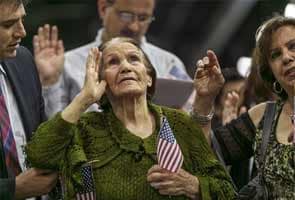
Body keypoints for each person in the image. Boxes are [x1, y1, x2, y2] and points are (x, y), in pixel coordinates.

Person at [26, 37, 236, 199]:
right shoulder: (83, 130)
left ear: (149, 78)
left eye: (134, 59)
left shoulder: (180, 124)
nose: (125, 66)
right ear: (101, 82)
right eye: (113, 62)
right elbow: (38, 155)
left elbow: (226, 189)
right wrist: (84, 98)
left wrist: (194, 186)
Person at [193, 16, 295, 199]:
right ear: (270, 70)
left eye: (293, 46)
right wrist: (204, 99)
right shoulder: (264, 115)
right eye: (275, 55)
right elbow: (201, 154)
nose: (286, 57)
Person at [34, 0, 191, 117]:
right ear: (103, 8)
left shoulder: (169, 63)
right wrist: (50, 82)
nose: (134, 26)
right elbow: (54, 129)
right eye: (126, 16)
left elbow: (193, 121)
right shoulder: (66, 64)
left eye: (143, 18)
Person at [0, 0, 58, 199]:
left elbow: (44, 139)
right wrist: (12, 190)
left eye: (21, 20)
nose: (22, 32)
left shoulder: (23, 60)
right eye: (8, 25)